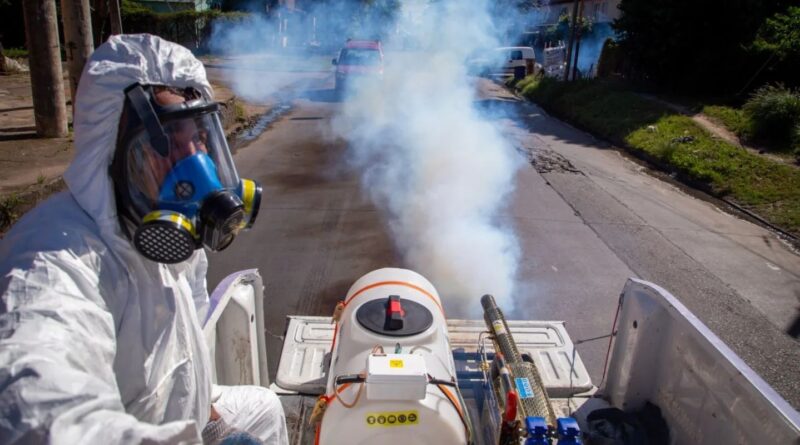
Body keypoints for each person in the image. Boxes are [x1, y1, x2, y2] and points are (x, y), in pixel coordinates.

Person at [0, 34, 287, 444]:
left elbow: (183, 362)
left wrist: (212, 421)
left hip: (187, 420)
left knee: (265, 408)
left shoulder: (157, 236)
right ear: (109, 152)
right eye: (168, 143)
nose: (193, 164)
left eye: (199, 137)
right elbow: (37, 410)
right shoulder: (51, 265)